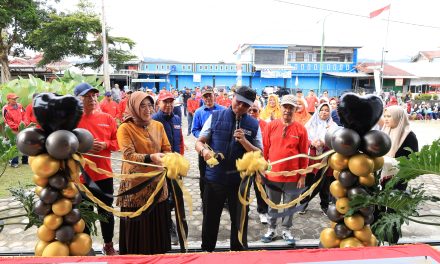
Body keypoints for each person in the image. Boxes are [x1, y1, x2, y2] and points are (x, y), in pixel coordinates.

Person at [195, 86, 262, 252]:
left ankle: (237, 254)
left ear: (249, 107)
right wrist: (204, 151)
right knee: (210, 219)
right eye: (237, 102)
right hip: (214, 179)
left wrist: (245, 141)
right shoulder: (215, 116)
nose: (239, 107)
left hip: (240, 182)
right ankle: (207, 252)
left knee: (239, 221)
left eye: (244, 105)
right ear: (233, 98)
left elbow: (259, 154)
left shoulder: (253, 124)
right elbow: (199, 142)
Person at [116, 91, 172, 254]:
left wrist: (170, 159)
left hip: (157, 184)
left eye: (149, 105)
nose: (147, 109)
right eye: (142, 105)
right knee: (138, 227)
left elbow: (166, 148)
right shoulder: (125, 128)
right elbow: (128, 155)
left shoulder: (158, 126)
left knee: (156, 224)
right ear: (133, 106)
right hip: (135, 186)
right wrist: (151, 157)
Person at [74, 83, 119, 255]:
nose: (92, 99)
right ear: (79, 99)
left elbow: (117, 143)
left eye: (94, 95)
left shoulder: (107, 119)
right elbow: (65, 145)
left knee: (106, 212)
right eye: (87, 96)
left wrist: (105, 144)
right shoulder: (73, 121)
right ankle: (86, 246)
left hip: (104, 175)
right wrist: (81, 148)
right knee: (84, 214)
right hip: (81, 177)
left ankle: (108, 244)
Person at [261, 94, 309, 246]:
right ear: (280, 107)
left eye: (291, 107)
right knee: (272, 204)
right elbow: (265, 150)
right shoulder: (271, 126)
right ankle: (271, 229)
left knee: (289, 205)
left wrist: (302, 176)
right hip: (273, 175)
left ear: (295, 109)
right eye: (285, 107)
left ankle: (286, 230)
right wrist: (262, 169)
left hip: (292, 176)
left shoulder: (301, 129)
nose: (287, 110)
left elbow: (304, 154)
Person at [377, 105, 419, 244]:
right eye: (386, 116)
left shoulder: (409, 136)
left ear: (399, 118)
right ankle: (378, 238)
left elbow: (413, 160)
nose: (386, 119)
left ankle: (392, 242)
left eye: (390, 116)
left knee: (394, 210)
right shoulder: (384, 131)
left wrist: (393, 162)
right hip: (381, 177)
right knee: (379, 207)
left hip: (398, 180)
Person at [152, 90, 185, 246]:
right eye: (165, 101)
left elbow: (180, 141)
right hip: (160, 168)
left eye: (171, 101)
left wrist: (181, 160)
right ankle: (168, 228)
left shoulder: (177, 118)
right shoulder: (153, 120)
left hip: (176, 167)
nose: (168, 105)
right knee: (163, 199)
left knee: (177, 199)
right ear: (159, 103)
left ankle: (180, 227)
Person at [303, 103, 339, 215]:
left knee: (324, 184)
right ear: (318, 111)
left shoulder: (333, 126)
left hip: (325, 159)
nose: (324, 112)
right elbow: (304, 139)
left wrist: (324, 143)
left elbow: (336, 142)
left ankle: (324, 205)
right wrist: (311, 143)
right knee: (308, 182)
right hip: (312, 158)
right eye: (322, 110)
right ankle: (303, 204)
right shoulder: (310, 124)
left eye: (327, 110)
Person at [192, 86, 225, 200]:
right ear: (202, 98)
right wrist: (203, 137)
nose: (208, 98)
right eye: (205, 96)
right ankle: (204, 199)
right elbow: (194, 130)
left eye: (209, 95)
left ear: (214, 95)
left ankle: (222, 199)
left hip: (219, 148)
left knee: (221, 173)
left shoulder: (223, 110)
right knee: (204, 174)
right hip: (204, 148)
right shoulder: (198, 112)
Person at [247, 102, 269, 225]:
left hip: (262, 161)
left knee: (261, 187)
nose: (251, 113)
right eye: (249, 110)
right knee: (245, 186)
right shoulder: (242, 123)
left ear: (259, 111)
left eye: (254, 110)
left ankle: (263, 211)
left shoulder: (265, 125)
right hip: (246, 161)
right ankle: (245, 209)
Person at [2, 93, 27, 167]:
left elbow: (25, 115)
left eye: (16, 99)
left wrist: (24, 124)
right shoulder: (5, 108)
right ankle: (14, 162)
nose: (15, 100)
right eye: (13, 99)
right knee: (14, 145)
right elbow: (7, 121)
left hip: (22, 128)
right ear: (8, 100)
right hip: (12, 130)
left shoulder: (20, 106)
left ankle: (25, 161)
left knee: (25, 144)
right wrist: (17, 127)